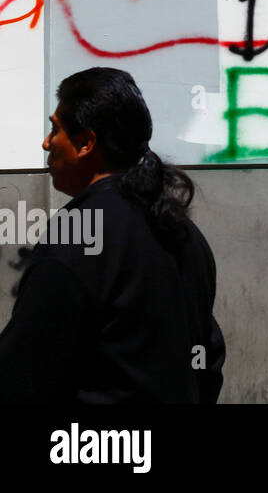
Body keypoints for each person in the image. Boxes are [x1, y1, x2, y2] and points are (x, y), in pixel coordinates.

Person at [0, 67, 224, 403]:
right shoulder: (182, 231)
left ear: (86, 143)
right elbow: (207, 359)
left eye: (55, 129)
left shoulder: (78, 235)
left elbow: (23, 372)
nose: (47, 142)